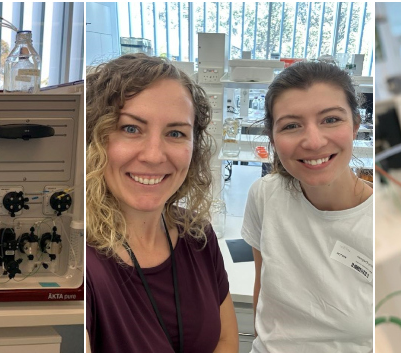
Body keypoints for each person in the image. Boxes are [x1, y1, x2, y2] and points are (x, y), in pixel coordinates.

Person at [85, 53, 238, 353]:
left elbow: (225, 340)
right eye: (131, 128)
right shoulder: (82, 266)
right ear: (94, 136)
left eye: (175, 133)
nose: (154, 155)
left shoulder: (198, 236)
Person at [242, 61, 373, 352]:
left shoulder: (385, 225)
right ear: (273, 138)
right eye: (291, 125)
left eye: (330, 120)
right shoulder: (265, 196)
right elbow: (265, 297)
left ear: (355, 126)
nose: (313, 142)